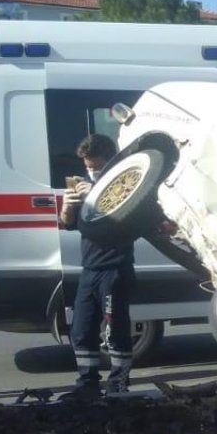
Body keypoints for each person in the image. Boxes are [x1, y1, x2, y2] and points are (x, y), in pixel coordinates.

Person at [59, 134, 135, 396]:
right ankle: (87, 383)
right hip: (90, 268)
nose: (91, 172)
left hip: (115, 268)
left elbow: (122, 218)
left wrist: (94, 196)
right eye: (88, 167)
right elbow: (67, 223)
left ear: (111, 161)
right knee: (81, 329)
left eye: (97, 167)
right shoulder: (83, 186)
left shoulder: (125, 184)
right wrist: (68, 207)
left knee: (115, 329)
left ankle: (118, 382)